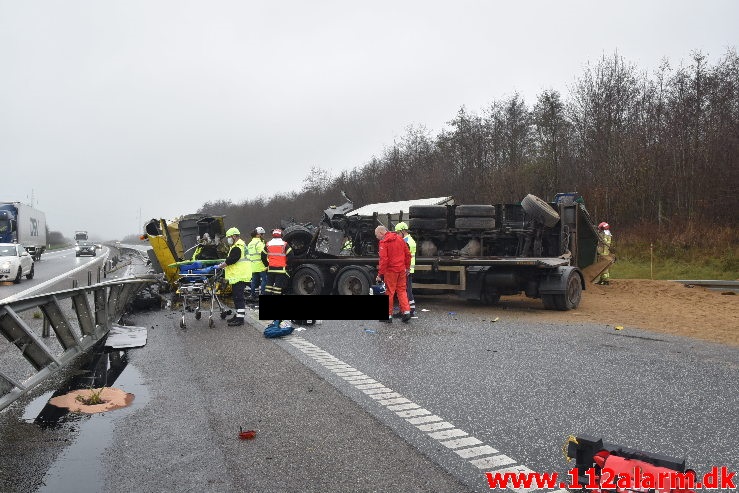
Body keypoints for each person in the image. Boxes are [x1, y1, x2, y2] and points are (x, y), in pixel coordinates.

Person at [374, 225, 411, 323]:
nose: (377, 238)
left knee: (389, 293)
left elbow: (383, 260)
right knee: (402, 291)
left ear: (381, 233)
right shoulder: (399, 238)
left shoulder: (383, 242)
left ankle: (388, 316)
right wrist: (407, 267)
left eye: (377, 235)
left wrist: (380, 274)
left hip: (391, 271)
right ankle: (406, 312)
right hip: (401, 270)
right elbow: (408, 254)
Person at [216, 227, 251, 326]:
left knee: (238, 298)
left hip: (239, 275)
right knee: (236, 297)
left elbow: (231, 260)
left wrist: (220, 266)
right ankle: (237, 315)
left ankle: (240, 319)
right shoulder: (238, 245)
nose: (228, 239)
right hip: (239, 275)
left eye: (229, 237)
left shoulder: (237, 247)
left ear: (234, 236)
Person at [394, 222, 416, 317]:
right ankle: (408, 309)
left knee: (405, 291)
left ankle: (409, 310)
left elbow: (404, 257)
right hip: (408, 269)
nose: (397, 235)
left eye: (398, 233)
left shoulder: (406, 242)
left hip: (406, 270)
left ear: (403, 231)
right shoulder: (409, 240)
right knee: (406, 290)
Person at [264, 229, 292, 295]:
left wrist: (267, 264)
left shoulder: (268, 244)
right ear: (281, 235)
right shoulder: (284, 244)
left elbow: (263, 255)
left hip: (271, 269)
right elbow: (291, 255)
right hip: (281, 270)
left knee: (268, 287)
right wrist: (287, 264)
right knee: (277, 288)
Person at [247, 227, 268, 302]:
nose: (263, 236)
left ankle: (253, 295)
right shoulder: (259, 243)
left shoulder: (250, 244)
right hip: (261, 265)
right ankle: (262, 293)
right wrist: (268, 263)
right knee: (264, 280)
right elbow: (264, 254)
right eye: (262, 234)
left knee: (254, 281)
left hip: (253, 266)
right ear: (258, 235)